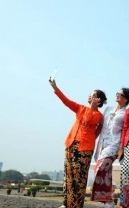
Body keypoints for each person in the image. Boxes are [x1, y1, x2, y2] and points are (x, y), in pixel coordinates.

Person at [49, 78, 107, 208]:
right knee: (68, 175)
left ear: (98, 100)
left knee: (79, 177)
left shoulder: (98, 115)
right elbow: (66, 101)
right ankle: (66, 203)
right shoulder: (80, 108)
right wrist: (55, 88)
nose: (89, 96)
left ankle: (76, 205)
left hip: (84, 149)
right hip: (71, 144)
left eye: (92, 95)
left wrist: (92, 108)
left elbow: (88, 122)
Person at [91, 88, 129, 208]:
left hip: (114, 145)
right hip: (102, 143)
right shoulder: (108, 109)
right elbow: (100, 126)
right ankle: (109, 201)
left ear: (126, 98)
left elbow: (125, 132)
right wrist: (93, 138)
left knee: (100, 167)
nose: (117, 95)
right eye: (117, 93)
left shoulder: (127, 113)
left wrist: (121, 148)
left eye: (120, 94)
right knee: (105, 171)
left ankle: (108, 199)